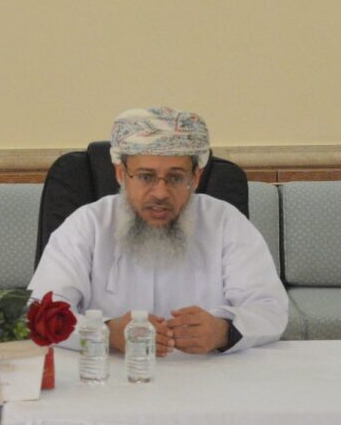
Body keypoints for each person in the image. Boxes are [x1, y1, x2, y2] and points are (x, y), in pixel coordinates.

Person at [30, 107, 288, 355]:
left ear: (195, 178)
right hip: (109, 372)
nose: (161, 192)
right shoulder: (88, 224)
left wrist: (224, 331)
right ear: (121, 174)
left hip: (205, 374)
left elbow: (270, 309)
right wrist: (104, 332)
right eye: (146, 176)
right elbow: (38, 312)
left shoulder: (225, 222)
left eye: (175, 178)